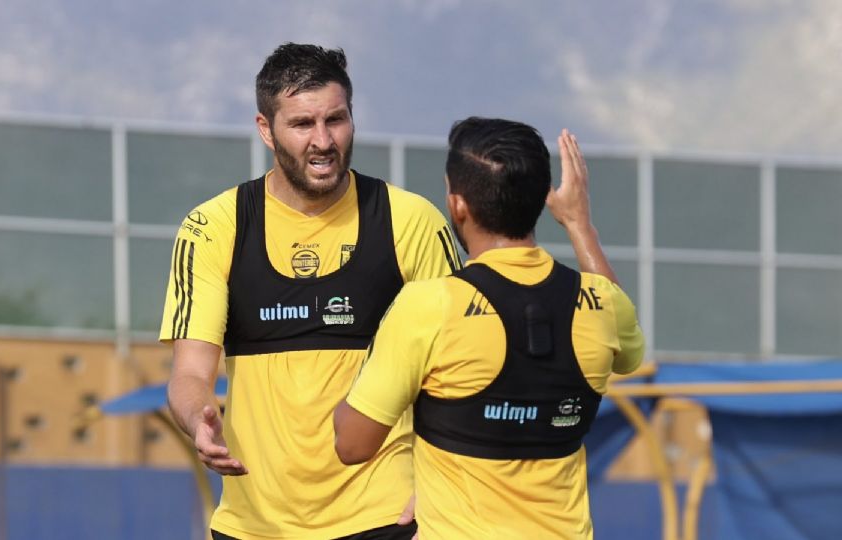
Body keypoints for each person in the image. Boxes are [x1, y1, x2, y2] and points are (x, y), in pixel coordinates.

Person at [160, 43, 463, 539]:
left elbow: (464, 365)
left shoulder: (410, 221)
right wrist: (199, 420)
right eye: (302, 124)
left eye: (336, 120)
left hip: (386, 515)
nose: (323, 141)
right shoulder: (213, 228)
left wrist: (442, 483)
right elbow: (190, 372)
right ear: (266, 129)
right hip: (254, 525)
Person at [333, 118, 646, 539]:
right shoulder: (601, 305)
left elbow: (352, 445)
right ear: (540, 199)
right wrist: (578, 224)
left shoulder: (430, 305)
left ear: (457, 203)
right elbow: (628, 347)